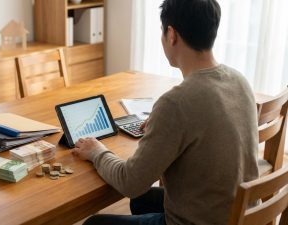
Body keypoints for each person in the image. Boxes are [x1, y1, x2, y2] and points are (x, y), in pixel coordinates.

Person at [71, 0, 259, 224]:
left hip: (203, 221)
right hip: (239, 213)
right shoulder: (240, 81)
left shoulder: (175, 103)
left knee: (95, 223)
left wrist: (96, 151)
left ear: (172, 35)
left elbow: (130, 182)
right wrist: (164, 126)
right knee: (140, 200)